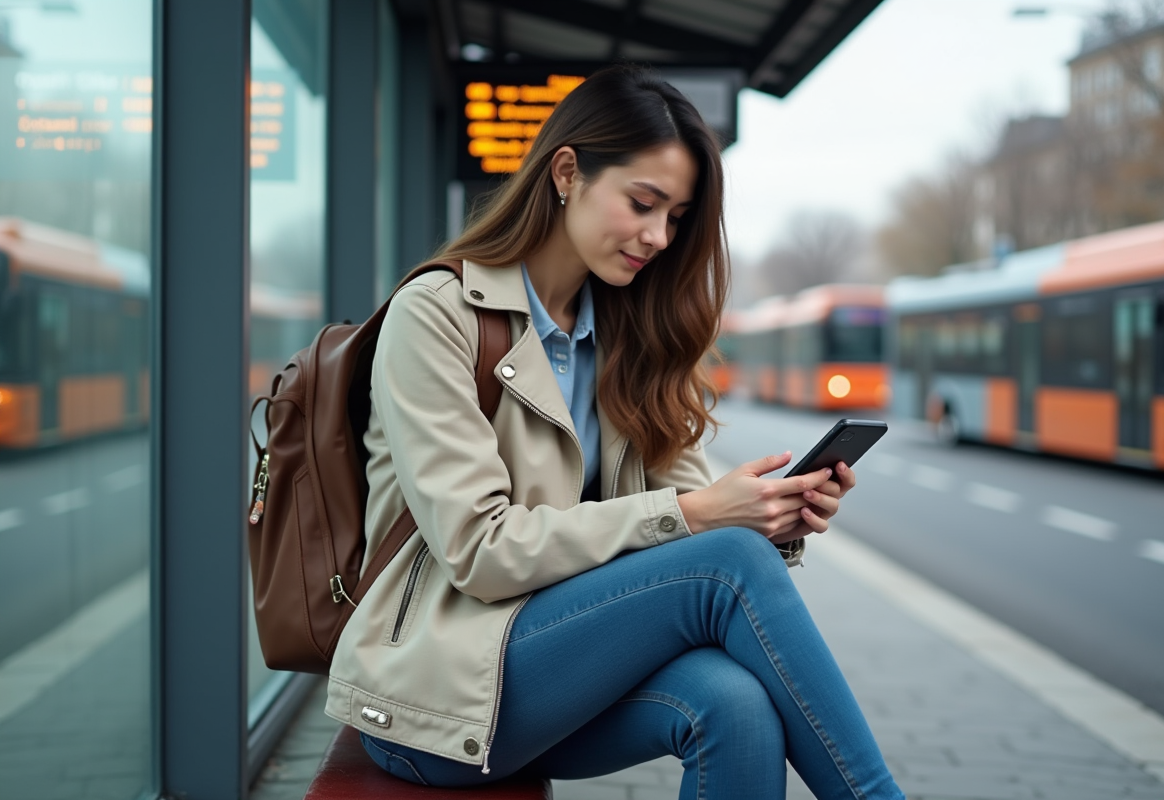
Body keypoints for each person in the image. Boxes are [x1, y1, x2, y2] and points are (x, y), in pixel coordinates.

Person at [325, 65, 905, 800]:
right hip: (435, 697)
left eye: (676, 217)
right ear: (567, 172)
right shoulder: (438, 315)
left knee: (737, 707)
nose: (659, 237)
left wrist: (776, 518)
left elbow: (694, 520)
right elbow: (481, 551)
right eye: (643, 203)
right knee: (726, 561)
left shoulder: (632, 337)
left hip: (559, 666)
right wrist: (707, 519)